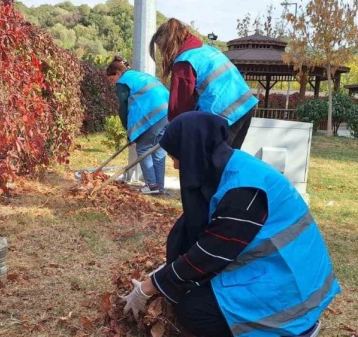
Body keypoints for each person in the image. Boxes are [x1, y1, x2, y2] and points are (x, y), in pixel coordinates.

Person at [122, 112, 340, 337]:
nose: (176, 166)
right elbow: (209, 237)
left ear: (193, 151)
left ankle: (284, 331)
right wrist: (168, 274)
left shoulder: (243, 192)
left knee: (192, 310)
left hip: (290, 297)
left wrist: (150, 287)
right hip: (278, 272)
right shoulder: (232, 165)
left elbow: (209, 255)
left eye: (177, 157)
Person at [149, 18, 258, 149]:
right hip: (245, 106)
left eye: (161, 48)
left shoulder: (184, 61)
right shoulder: (207, 50)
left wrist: (176, 140)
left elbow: (180, 109)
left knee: (208, 165)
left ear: (168, 43)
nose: (162, 53)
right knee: (228, 163)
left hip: (224, 115)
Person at [106, 56, 169, 194]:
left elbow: (123, 108)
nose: (113, 83)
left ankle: (152, 186)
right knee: (158, 150)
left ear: (117, 73)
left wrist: (128, 131)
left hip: (153, 113)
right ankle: (159, 187)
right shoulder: (139, 75)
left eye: (111, 79)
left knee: (143, 148)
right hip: (167, 111)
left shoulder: (123, 81)